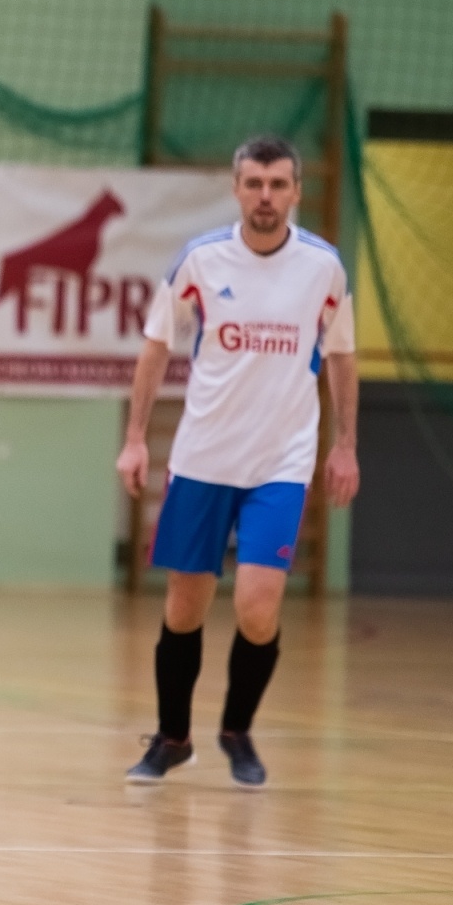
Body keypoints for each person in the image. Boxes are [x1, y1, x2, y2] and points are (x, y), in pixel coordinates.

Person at [117, 134, 359, 788]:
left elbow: (341, 356)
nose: (265, 196)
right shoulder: (200, 260)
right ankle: (173, 739)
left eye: (278, 184)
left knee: (258, 608)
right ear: (236, 190)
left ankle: (237, 731)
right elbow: (155, 346)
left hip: (281, 463)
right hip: (204, 457)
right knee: (184, 607)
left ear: (296, 191)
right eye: (254, 183)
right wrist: (136, 438)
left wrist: (344, 445)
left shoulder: (323, 268)